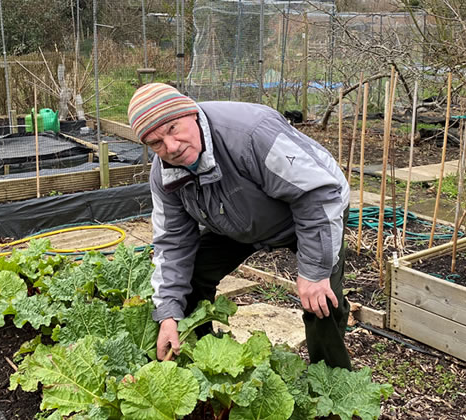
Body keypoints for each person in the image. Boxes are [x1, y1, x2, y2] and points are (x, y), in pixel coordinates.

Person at [127, 83, 352, 369]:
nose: (171, 147)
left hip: (309, 210)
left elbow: (316, 194)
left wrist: (315, 273)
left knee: (321, 300)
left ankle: (333, 385)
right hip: (236, 220)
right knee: (192, 276)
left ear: (191, 113)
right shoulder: (164, 176)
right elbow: (172, 243)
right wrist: (169, 314)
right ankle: (201, 362)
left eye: (173, 129)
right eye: (156, 143)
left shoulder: (250, 134)